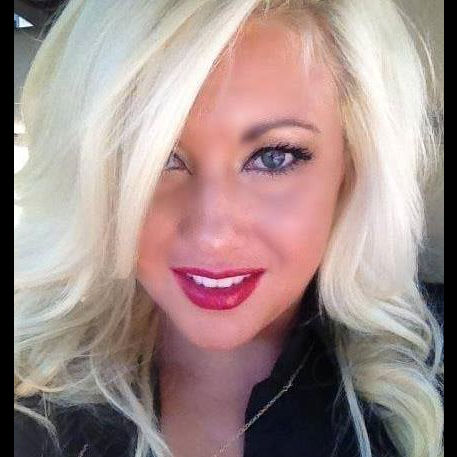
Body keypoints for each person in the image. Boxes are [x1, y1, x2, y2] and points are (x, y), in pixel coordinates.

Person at [14, 0, 444, 456]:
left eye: (274, 157)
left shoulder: (425, 373)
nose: (212, 234)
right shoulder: (32, 393)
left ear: (351, 169)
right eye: (156, 158)